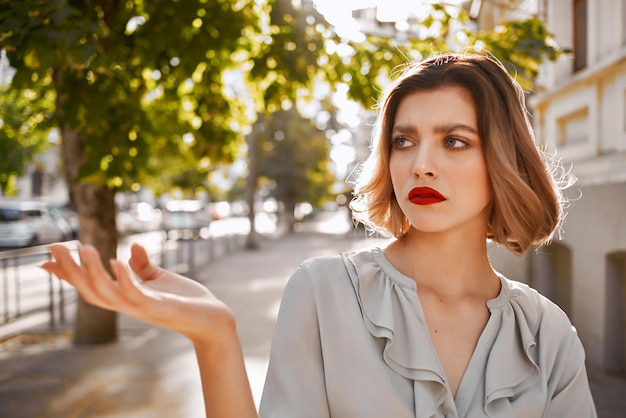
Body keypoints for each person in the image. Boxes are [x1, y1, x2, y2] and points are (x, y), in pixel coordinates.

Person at [42, 52, 597, 417]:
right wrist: (215, 339)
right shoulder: (326, 291)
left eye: (454, 141)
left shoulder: (548, 335)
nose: (420, 164)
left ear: (502, 157)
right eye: (403, 141)